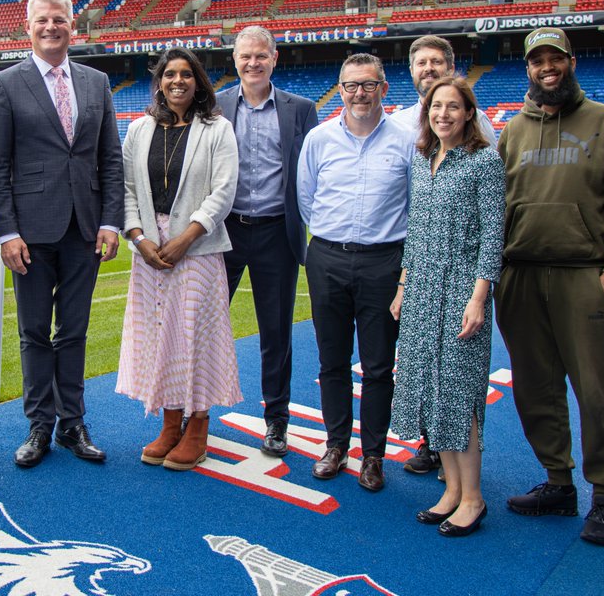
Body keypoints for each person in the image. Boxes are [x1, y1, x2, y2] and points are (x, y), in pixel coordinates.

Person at [495, 27, 604, 547]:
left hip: (583, 274)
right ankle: (558, 482)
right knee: (535, 387)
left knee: (595, 391)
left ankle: (603, 494)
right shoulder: (513, 129)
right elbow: (497, 206)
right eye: (537, 61)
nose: (546, 68)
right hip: (521, 274)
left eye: (554, 59)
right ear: (528, 70)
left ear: (571, 62)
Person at [0, 0, 125, 468]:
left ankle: (73, 423)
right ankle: (39, 425)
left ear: (72, 26)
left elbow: (109, 157)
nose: (51, 27)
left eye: (59, 20)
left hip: (84, 227)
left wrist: (110, 220)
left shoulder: (95, 82)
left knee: (76, 330)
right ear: (29, 26)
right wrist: (6, 232)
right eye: (42, 20)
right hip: (30, 231)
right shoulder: (5, 83)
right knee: (34, 332)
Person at [388, 76, 505, 538]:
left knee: (459, 395)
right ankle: (453, 491)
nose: (443, 114)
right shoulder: (422, 160)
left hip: (461, 291)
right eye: (436, 106)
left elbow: (494, 236)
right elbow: (415, 230)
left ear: (469, 113)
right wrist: (402, 285)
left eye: (453, 107)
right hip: (420, 291)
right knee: (433, 394)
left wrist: (479, 298)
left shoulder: (484, 162)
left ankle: (473, 497)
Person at [117, 47, 240, 470]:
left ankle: (199, 426)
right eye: (170, 74)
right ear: (160, 82)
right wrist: (138, 238)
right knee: (159, 338)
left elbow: (223, 191)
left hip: (198, 249)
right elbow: (128, 191)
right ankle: (170, 424)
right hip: (150, 253)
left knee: (195, 337)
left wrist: (187, 236)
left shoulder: (217, 128)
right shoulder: (139, 129)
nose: (178, 81)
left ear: (198, 81)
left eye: (187, 74)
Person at [296, 52, 414, 493]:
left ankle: (374, 456)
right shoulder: (320, 139)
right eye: (350, 86)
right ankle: (335, 445)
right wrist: (331, 241)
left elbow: (415, 207)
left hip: (384, 261)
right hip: (327, 257)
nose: (358, 94)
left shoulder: (406, 140)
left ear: (383, 88)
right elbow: (306, 198)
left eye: (368, 85)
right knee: (332, 361)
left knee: (380, 365)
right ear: (340, 89)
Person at [216, 26, 317, 457]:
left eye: (261, 56)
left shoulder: (301, 109)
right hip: (225, 231)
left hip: (277, 231)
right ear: (234, 60)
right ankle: (192, 410)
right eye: (245, 56)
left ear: (275, 59)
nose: (253, 63)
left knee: (275, 333)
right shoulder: (216, 105)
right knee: (204, 325)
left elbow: (312, 172)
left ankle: (276, 420)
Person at [389, 35, 495, 145]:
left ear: (451, 70)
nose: (428, 68)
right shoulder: (395, 123)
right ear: (411, 71)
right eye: (421, 63)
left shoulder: (476, 120)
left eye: (436, 62)